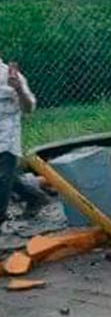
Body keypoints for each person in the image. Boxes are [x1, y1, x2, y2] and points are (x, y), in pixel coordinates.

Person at [0, 58, 49, 226]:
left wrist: (18, 89)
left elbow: (29, 108)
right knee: (7, 176)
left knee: (3, 177)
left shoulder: (11, 76)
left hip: (6, 135)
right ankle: (35, 197)